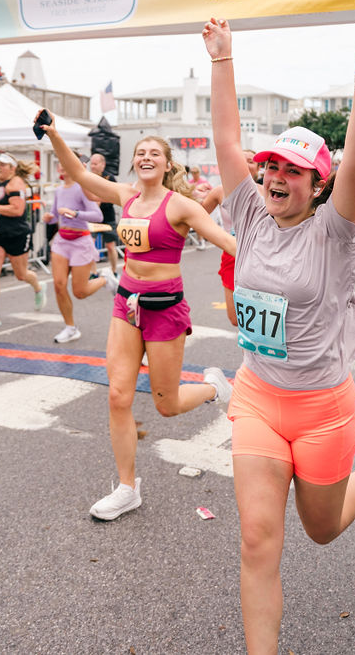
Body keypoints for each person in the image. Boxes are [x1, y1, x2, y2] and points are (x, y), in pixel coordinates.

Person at [204, 14, 355, 654]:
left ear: (318, 185)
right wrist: (223, 57)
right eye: (270, 169)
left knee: (320, 531)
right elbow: (227, 140)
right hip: (259, 395)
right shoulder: (251, 215)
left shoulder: (334, 232)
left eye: (292, 171)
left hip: (321, 409)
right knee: (258, 538)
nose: (275, 178)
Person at [39, 111, 237, 521]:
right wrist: (54, 133)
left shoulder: (181, 205)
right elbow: (78, 172)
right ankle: (128, 488)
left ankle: (213, 390)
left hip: (165, 310)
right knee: (118, 395)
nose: (146, 157)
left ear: (167, 164)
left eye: (154, 153)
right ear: (134, 163)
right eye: (140, 153)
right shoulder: (126, 196)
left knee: (166, 405)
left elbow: (226, 241)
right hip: (126, 303)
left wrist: (282, 264)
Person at [0, 153, 46, 329]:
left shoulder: (16, 183)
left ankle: (38, 286)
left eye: (3, 165)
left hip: (16, 234)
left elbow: (18, 209)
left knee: (21, 275)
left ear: (12, 169)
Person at [43, 166, 108, 343]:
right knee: (58, 285)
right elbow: (57, 216)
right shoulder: (58, 190)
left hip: (80, 242)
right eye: (60, 164)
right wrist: (50, 218)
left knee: (80, 292)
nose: (62, 167)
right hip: (62, 241)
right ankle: (70, 327)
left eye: (65, 164)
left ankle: (105, 279)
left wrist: (75, 213)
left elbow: (97, 215)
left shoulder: (81, 188)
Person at [201, 153, 262, 327]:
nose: (244, 165)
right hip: (231, 255)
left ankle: (258, 350)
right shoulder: (220, 191)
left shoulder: (268, 191)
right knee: (235, 318)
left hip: (261, 255)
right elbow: (196, 216)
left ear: (258, 168)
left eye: (250, 162)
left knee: (261, 311)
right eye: (240, 160)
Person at [86, 153, 121, 277]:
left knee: (110, 246)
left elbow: (116, 196)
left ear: (103, 164)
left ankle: (114, 270)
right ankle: (93, 272)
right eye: (91, 164)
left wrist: (100, 199)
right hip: (92, 217)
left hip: (107, 216)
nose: (93, 166)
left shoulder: (109, 178)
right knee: (89, 244)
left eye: (95, 164)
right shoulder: (87, 177)